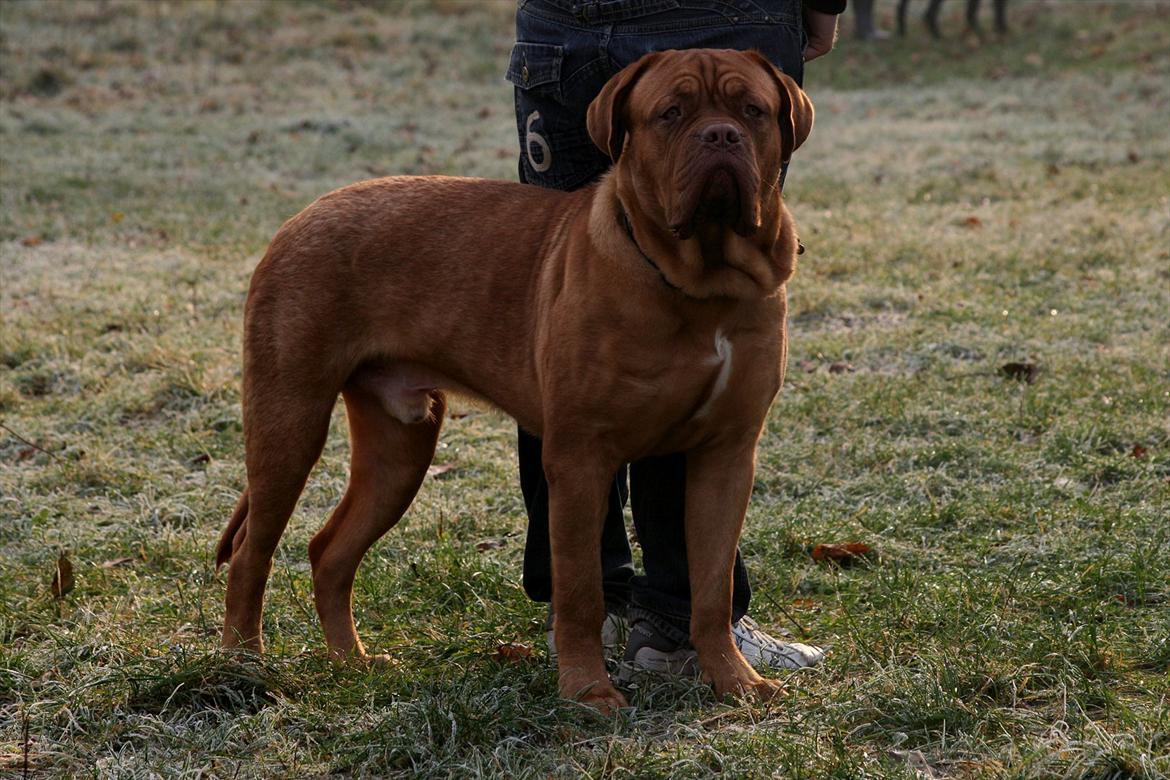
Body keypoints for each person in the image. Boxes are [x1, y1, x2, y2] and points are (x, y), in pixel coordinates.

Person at [507, 0, 843, 679]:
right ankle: (651, 625)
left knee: (559, 331)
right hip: (719, 14)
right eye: (685, 121)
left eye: (743, 120)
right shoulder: (752, 83)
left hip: (563, 32)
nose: (715, 135)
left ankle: (620, 620)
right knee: (564, 350)